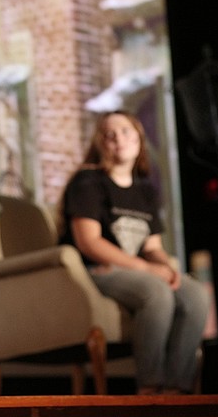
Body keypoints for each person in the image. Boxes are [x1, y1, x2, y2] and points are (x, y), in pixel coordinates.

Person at [60, 110, 209, 394]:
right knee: (155, 291)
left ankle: (178, 390)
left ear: (139, 138)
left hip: (136, 269)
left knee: (195, 294)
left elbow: (152, 247)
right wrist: (147, 270)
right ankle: (150, 387)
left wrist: (168, 268)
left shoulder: (145, 191)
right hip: (96, 271)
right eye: (109, 134)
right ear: (100, 143)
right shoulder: (87, 182)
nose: (119, 139)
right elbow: (89, 243)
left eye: (125, 131)